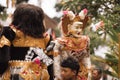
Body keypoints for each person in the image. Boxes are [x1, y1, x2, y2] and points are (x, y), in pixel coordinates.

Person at [0, 3, 54, 80]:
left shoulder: (10, 33)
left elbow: (3, 61)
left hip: (14, 75)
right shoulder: (46, 38)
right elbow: (49, 66)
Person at [53, 9, 91, 80]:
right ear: (69, 27)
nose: (79, 30)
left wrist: (89, 73)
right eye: (77, 27)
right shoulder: (59, 42)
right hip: (65, 74)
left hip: (81, 74)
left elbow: (87, 58)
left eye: (81, 28)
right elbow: (56, 63)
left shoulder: (86, 41)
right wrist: (59, 76)